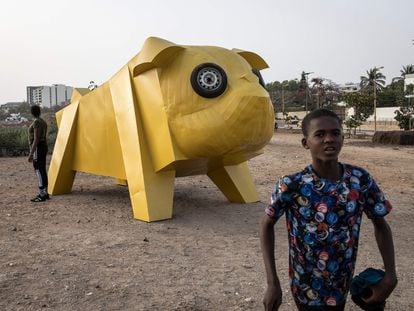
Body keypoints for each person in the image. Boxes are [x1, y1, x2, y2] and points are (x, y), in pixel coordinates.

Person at [260, 109, 397, 310]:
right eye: (320, 134)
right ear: (305, 143)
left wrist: (390, 274)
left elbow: (381, 224)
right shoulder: (291, 184)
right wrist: (272, 282)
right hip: (305, 285)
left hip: (342, 282)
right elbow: (266, 225)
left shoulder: (360, 180)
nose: (329, 139)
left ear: (342, 137)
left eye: (335, 133)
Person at [28, 105, 49, 202]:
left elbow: (36, 138)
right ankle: (45, 192)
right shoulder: (43, 121)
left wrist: (31, 153)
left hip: (38, 147)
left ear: (32, 112)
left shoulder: (36, 122)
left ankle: (42, 194)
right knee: (42, 169)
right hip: (43, 146)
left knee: (38, 170)